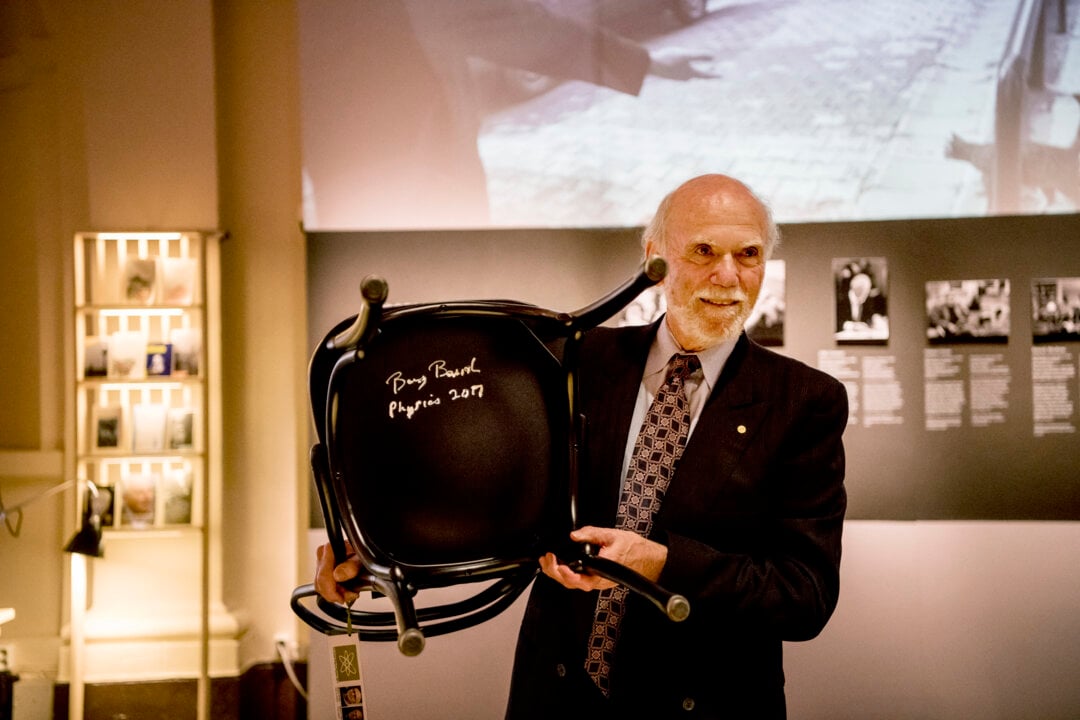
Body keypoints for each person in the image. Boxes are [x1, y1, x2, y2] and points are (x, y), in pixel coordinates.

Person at [315, 174, 848, 719]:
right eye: (703, 250)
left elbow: (804, 596)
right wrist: (372, 551)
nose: (727, 275)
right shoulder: (577, 362)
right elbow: (489, 503)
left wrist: (662, 563)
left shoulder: (804, 402)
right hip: (557, 698)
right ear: (655, 257)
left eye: (749, 253)